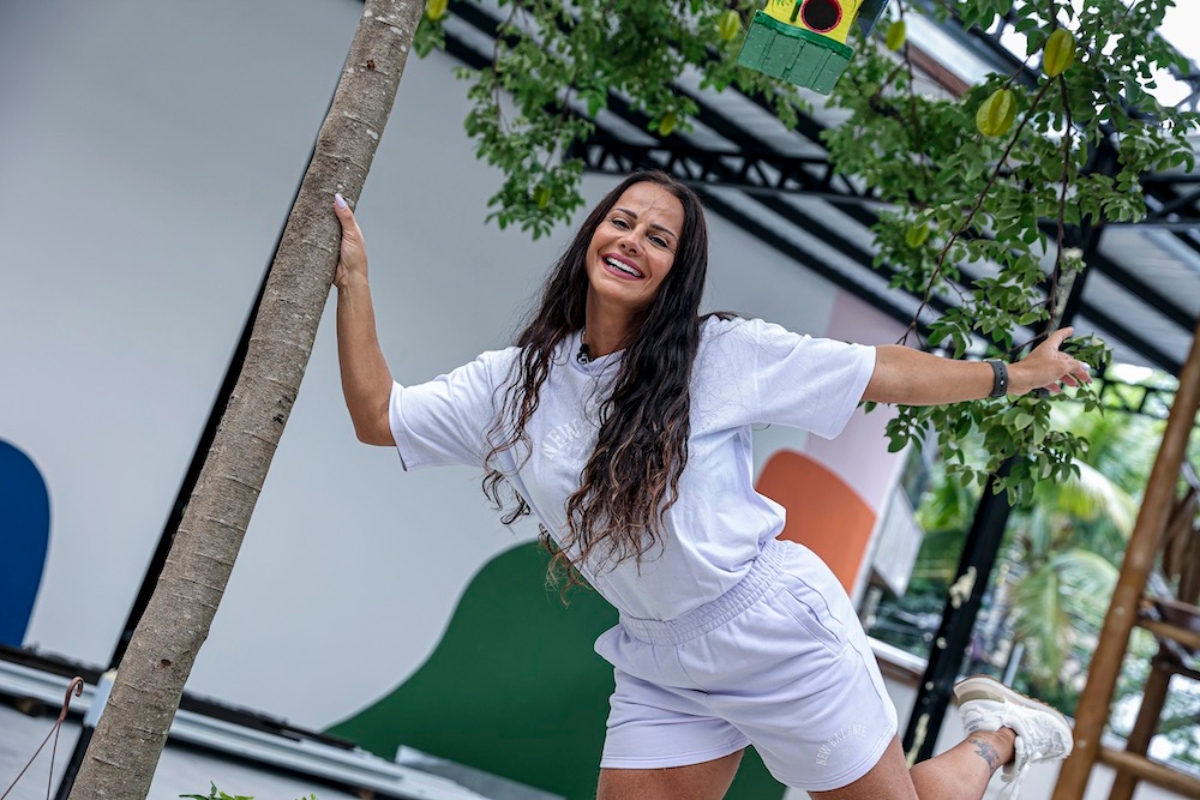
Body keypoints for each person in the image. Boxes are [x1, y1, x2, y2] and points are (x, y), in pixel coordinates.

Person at [331, 170, 1086, 800]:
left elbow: (879, 370)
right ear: (593, 235)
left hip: (774, 633)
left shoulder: (718, 354)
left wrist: (1015, 375)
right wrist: (354, 280)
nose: (633, 241)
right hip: (661, 655)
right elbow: (378, 415)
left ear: (676, 272)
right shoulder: (517, 383)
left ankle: (999, 738)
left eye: (658, 238)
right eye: (622, 222)